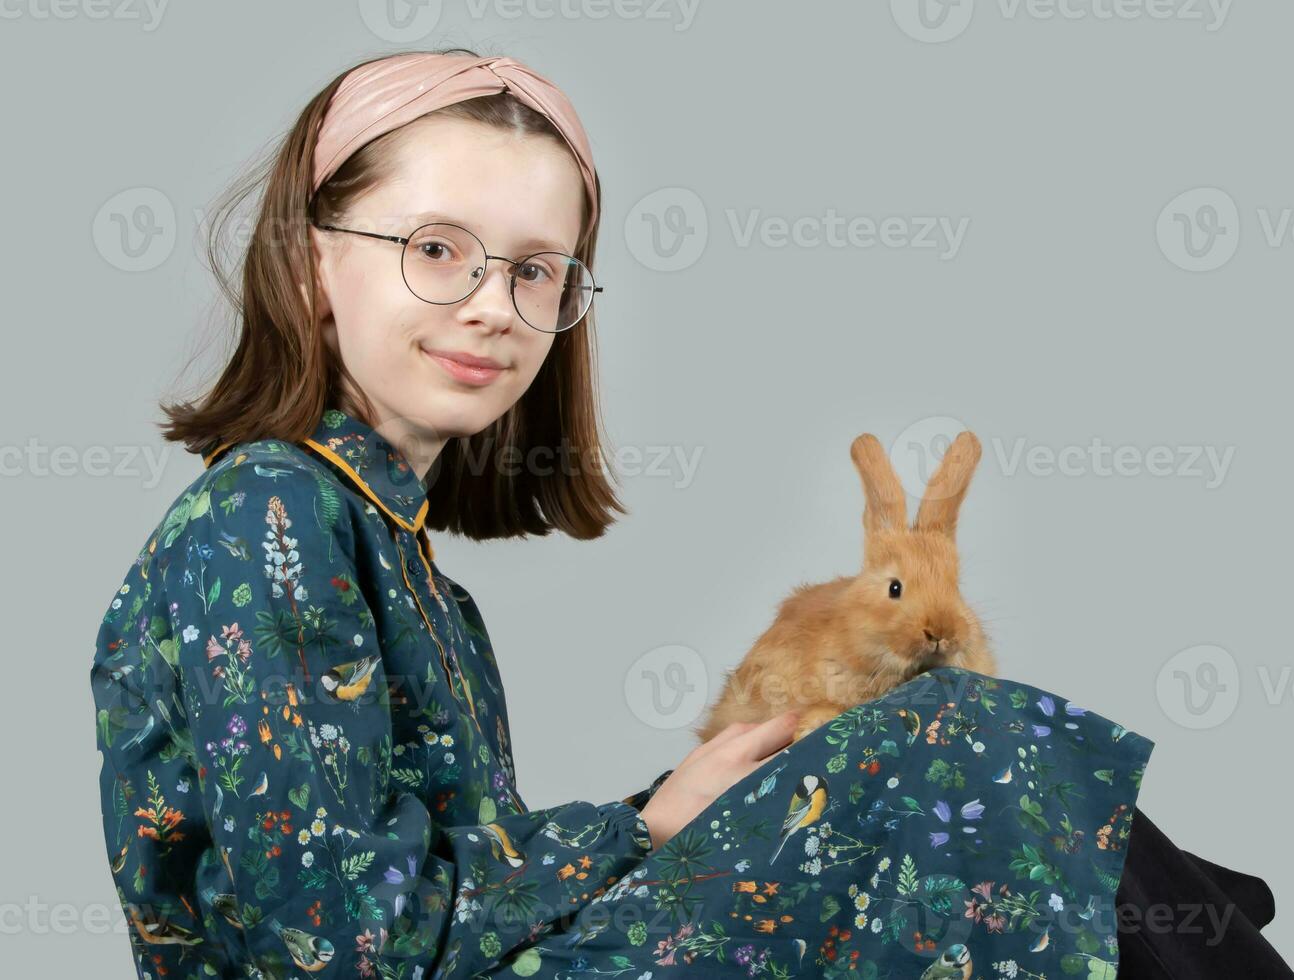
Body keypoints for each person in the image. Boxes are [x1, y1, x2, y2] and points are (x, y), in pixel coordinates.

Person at [89, 48, 1156, 978]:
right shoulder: (267, 515)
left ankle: (1199, 914)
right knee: (947, 745)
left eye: (537, 270)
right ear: (312, 258)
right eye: (436, 248)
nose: (491, 305)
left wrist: (675, 809)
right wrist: (633, 830)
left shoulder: (407, 563)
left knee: (897, 756)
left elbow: (460, 891)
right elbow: (339, 944)